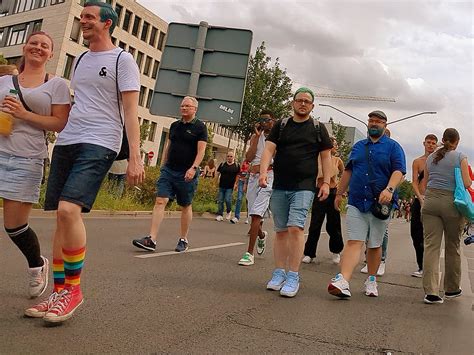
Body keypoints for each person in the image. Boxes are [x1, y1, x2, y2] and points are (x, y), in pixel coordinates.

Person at [26, 2, 144, 323]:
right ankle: (59, 292)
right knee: (60, 219)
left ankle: (74, 291)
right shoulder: (80, 58)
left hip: (101, 140)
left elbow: (131, 112)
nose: (84, 21)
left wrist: (135, 156)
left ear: (107, 23)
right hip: (68, 140)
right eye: (83, 17)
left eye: (90, 17)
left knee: (69, 210)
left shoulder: (123, 60)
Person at [0, 31, 70, 299]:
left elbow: (59, 123)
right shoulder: (5, 81)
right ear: (24, 47)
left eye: (44, 45)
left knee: (14, 226)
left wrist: (23, 114)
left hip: (27, 159)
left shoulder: (56, 85)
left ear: (51, 54)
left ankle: (36, 264)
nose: (38, 48)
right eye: (33, 43)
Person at [260, 87, 333, 297]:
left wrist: (326, 182)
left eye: (307, 101)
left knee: (295, 228)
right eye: (299, 100)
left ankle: (293, 275)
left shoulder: (318, 128)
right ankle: (278, 273)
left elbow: (326, 157)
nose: (303, 104)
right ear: (293, 103)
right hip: (280, 184)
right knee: (281, 230)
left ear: (312, 106)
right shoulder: (281, 126)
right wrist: (264, 172)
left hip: (304, 186)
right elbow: (268, 150)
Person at [328, 110, 405, 299]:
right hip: (356, 200)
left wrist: (389, 189)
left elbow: (399, 171)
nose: (374, 124)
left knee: (374, 244)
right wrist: (338, 193)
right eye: (371, 121)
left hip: (380, 204)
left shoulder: (394, 147)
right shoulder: (358, 147)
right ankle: (343, 281)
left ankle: (371, 279)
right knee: (354, 241)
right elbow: (348, 171)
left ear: (385, 125)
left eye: (378, 121)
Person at [132, 96, 207, 252]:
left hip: (187, 172)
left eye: (187, 106)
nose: (184, 108)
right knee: (160, 200)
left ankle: (183, 239)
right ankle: (151, 239)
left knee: (185, 205)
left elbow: (201, 151)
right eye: (182, 106)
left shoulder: (200, 128)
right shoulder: (174, 126)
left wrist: (193, 168)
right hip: (169, 170)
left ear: (195, 109)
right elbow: (169, 145)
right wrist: (163, 164)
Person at [421, 128, 471, 304]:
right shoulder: (460, 157)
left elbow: (424, 183)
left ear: (442, 140)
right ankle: (451, 289)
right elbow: (466, 183)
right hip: (451, 203)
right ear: (457, 141)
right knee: (452, 246)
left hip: (431, 201)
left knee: (431, 246)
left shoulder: (430, 158)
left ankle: (431, 292)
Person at [238, 110, 276, 266]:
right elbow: (248, 158)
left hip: (268, 177)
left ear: (273, 121)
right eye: (262, 120)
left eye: (267, 120)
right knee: (253, 213)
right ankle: (261, 235)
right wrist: (257, 137)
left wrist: (263, 168)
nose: (265, 123)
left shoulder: (277, 138)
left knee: (255, 215)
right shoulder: (256, 137)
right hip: (253, 178)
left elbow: (277, 160)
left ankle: (249, 254)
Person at [303, 136, 344, 265]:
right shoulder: (318, 159)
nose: (334, 146)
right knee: (315, 224)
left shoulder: (338, 161)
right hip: (319, 191)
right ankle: (309, 253)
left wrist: (341, 191)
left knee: (333, 225)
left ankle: (336, 251)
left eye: (335, 144)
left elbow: (344, 174)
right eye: (332, 143)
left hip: (332, 193)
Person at [410, 134, 438, 278]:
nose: (431, 145)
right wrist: (419, 197)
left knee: (431, 236)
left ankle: (430, 267)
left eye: (434, 143)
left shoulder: (439, 161)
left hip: (434, 200)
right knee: (416, 234)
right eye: (429, 142)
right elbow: (414, 181)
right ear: (424, 143)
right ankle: (421, 265)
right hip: (419, 199)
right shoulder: (417, 162)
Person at [215, 151, 240, 221]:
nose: (229, 158)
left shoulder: (236, 166)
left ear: (234, 157)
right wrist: (215, 181)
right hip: (221, 185)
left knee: (227, 200)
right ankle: (220, 215)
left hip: (230, 186)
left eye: (231, 156)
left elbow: (238, 175)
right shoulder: (222, 164)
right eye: (228, 156)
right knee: (220, 200)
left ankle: (229, 211)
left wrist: (236, 184)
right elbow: (218, 173)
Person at [231, 159, 250, 224]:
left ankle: (248, 217)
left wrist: (246, 184)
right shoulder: (243, 162)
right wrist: (236, 183)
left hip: (249, 182)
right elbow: (239, 173)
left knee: (248, 200)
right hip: (241, 182)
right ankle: (236, 217)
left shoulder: (253, 162)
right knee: (239, 198)